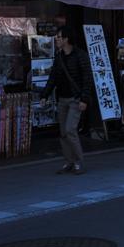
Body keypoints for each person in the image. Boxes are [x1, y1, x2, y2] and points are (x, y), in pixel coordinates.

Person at [44, 26, 92, 175]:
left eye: (59, 37)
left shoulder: (80, 55)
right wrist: (44, 95)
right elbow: (53, 77)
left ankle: (79, 162)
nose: (56, 39)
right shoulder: (59, 57)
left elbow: (87, 78)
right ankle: (69, 161)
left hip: (75, 99)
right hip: (62, 98)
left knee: (70, 129)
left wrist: (84, 98)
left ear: (66, 39)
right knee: (63, 132)